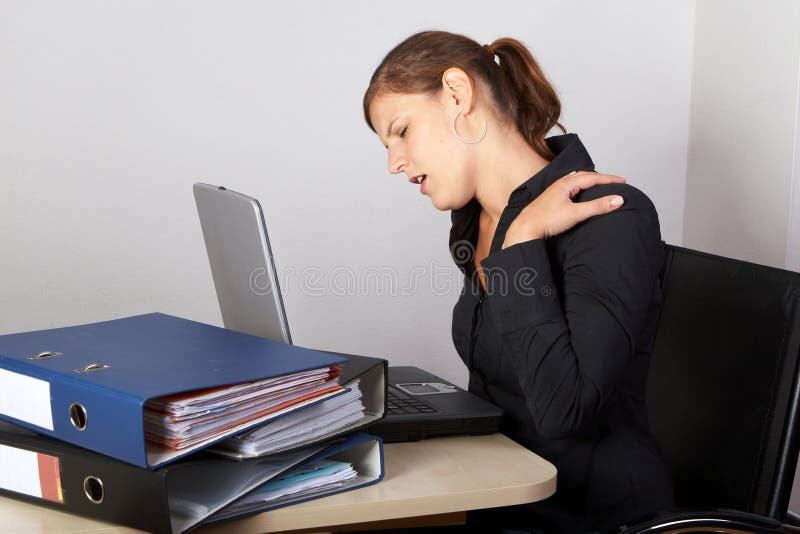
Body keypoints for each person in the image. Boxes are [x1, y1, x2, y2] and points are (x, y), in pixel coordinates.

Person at [363, 31, 674, 533]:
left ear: (458, 94)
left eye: (401, 131)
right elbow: (502, 385)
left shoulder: (613, 216)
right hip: (494, 494)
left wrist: (522, 239)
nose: (394, 163)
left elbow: (564, 411)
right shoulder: (474, 219)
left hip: (584, 515)